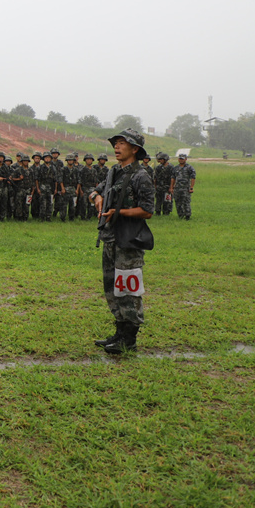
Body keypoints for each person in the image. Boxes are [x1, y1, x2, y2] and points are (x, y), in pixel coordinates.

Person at [89, 128, 155, 355]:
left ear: (135, 149)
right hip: (110, 237)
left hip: (129, 240)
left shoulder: (141, 175)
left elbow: (147, 211)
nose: (116, 147)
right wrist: (97, 197)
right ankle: (119, 332)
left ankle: (129, 338)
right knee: (112, 288)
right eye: (115, 143)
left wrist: (119, 212)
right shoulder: (113, 171)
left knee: (128, 290)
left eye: (122, 143)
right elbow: (95, 191)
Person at [169, 153, 197, 220]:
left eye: (182, 159)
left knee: (186, 202)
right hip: (177, 188)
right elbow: (173, 178)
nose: (181, 160)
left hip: (185, 188)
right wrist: (171, 187)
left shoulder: (189, 168)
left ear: (186, 159)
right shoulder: (175, 168)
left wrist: (191, 187)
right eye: (180, 159)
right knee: (178, 201)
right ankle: (180, 215)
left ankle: (187, 215)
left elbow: (193, 178)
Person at [153, 152, 174, 216]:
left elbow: (173, 178)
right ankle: (157, 212)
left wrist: (171, 187)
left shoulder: (171, 167)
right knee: (158, 200)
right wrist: (155, 186)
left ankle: (166, 212)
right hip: (159, 187)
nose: (159, 161)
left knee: (167, 201)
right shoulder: (158, 167)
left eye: (161, 159)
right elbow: (155, 178)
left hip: (167, 187)